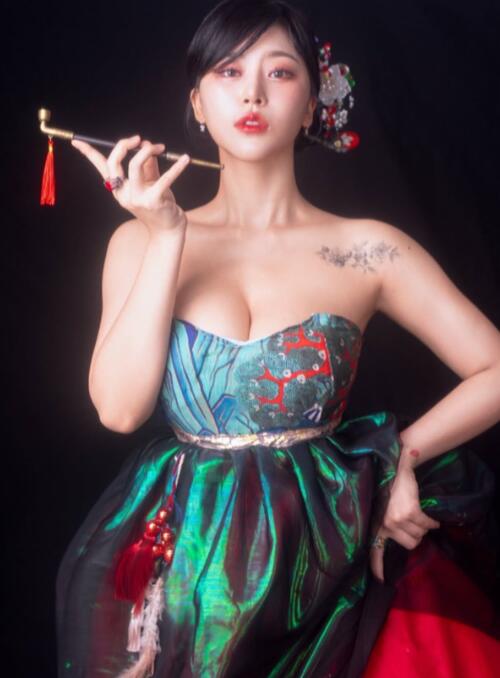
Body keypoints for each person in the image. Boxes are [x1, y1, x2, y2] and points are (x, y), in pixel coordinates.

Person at [56, 0, 500, 676]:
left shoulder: (369, 250)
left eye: (280, 72)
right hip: (190, 563)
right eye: (229, 72)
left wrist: (398, 460)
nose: (253, 94)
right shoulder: (139, 242)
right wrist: (168, 235)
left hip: (327, 553)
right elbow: (118, 410)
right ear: (198, 103)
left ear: (313, 102)